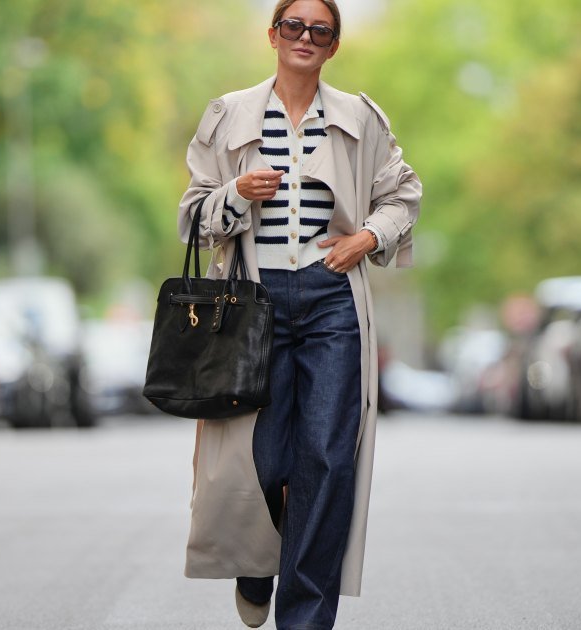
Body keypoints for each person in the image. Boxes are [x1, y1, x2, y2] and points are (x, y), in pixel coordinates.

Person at [177, 1, 421, 628]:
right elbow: (192, 216)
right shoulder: (230, 114)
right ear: (273, 35)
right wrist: (235, 194)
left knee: (327, 457)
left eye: (320, 30)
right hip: (250, 304)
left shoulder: (360, 119)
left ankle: (306, 619)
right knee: (264, 458)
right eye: (294, 26)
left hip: (330, 301)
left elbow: (402, 195)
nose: (305, 38)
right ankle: (259, 563)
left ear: (333, 46)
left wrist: (366, 238)